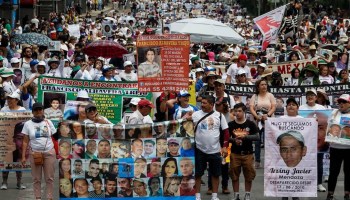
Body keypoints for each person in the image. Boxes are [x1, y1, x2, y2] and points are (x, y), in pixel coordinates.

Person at [188, 95, 229, 200]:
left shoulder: (219, 116)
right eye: (202, 102)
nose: (202, 105)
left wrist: (225, 146)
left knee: (215, 174)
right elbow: (184, 125)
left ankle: (214, 196)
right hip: (199, 149)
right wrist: (186, 117)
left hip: (215, 150)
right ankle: (197, 196)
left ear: (212, 104)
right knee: (198, 174)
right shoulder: (195, 115)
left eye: (205, 103)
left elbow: (226, 132)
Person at [21, 102, 56, 200]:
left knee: (49, 178)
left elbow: (56, 137)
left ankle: (49, 197)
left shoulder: (49, 122)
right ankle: (38, 198)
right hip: (34, 154)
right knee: (36, 179)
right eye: (36, 110)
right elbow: (25, 141)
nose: (38, 111)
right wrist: (23, 156)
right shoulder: (27, 124)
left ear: (43, 110)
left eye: (40, 109)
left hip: (49, 153)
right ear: (32, 112)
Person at [228, 103, 260, 200]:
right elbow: (226, 138)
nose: (237, 113)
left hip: (248, 153)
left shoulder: (250, 124)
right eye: (235, 111)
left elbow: (257, 137)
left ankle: (247, 195)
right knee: (234, 175)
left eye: (239, 111)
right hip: (234, 153)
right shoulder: (231, 124)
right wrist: (234, 140)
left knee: (249, 175)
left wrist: (245, 137)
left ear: (244, 112)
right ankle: (236, 195)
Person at [326, 94, 350, 200]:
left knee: (349, 172)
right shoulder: (334, 112)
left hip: (349, 149)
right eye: (340, 102)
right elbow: (328, 127)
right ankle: (330, 194)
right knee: (333, 172)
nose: (341, 104)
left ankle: (347, 194)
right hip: (335, 147)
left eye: (344, 102)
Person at [249, 79, 276, 168]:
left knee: (269, 141)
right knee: (257, 141)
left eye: (265, 84)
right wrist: (257, 117)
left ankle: (270, 161)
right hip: (258, 122)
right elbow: (251, 108)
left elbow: (273, 107)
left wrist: (267, 115)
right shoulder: (254, 96)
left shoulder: (270, 95)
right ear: (258, 87)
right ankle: (257, 161)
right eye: (262, 84)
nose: (264, 86)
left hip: (268, 121)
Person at [1, 122, 28, 190]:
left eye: (25, 138)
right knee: (7, 164)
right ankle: (4, 182)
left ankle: (19, 183)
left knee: (19, 164)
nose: (22, 143)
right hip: (9, 151)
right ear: (14, 139)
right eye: (19, 138)